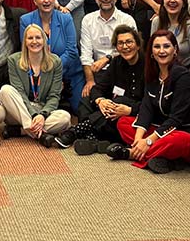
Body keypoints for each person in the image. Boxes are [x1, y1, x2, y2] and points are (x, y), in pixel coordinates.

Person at [106, 30, 190, 173]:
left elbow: (176, 119)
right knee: (123, 123)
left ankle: (131, 153)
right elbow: (146, 108)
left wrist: (148, 141)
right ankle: (158, 157)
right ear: (151, 51)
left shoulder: (183, 77)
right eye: (157, 47)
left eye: (166, 46)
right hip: (163, 127)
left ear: (175, 50)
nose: (161, 51)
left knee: (177, 141)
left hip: (185, 130)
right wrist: (139, 139)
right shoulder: (152, 73)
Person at [57, 25, 145, 153]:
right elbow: (98, 88)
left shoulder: (148, 67)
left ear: (138, 45)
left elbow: (149, 104)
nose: (125, 47)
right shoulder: (116, 63)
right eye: (120, 43)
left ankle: (76, 131)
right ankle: (93, 138)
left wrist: (130, 110)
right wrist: (100, 100)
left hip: (132, 113)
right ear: (116, 47)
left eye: (129, 42)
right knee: (86, 100)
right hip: (110, 112)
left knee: (120, 101)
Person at [0, 24, 72, 146]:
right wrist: (33, 115)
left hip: (43, 110)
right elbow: (19, 93)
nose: (34, 42)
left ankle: (22, 131)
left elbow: (54, 96)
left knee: (64, 118)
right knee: (5, 90)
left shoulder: (55, 62)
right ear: (25, 41)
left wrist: (42, 115)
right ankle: (38, 132)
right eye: (30, 38)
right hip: (19, 109)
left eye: (38, 38)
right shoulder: (13, 60)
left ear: (44, 40)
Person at [20, 0, 82, 111]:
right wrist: (46, 74)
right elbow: (27, 50)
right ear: (35, 1)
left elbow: (72, 51)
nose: (46, 1)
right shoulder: (26, 20)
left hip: (69, 72)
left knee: (77, 109)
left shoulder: (66, 18)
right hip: (39, 74)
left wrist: (53, 70)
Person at [78, 0, 136, 95]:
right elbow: (86, 54)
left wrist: (108, 58)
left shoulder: (127, 20)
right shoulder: (87, 20)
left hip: (122, 71)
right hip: (97, 72)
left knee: (117, 104)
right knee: (84, 108)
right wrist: (90, 81)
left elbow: (132, 50)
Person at [149, 0, 190, 78]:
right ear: (163, 2)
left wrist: (185, 83)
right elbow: (153, 53)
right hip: (161, 74)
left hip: (185, 75)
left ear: (184, 3)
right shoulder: (156, 22)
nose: (172, 0)